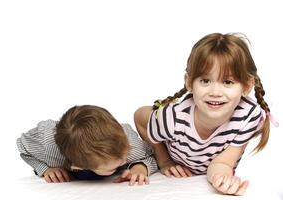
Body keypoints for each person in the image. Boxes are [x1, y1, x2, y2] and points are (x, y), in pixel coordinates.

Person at [134, 33, 276, 195]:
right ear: (189, 82)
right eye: (205, 81)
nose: (215, 92)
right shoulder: (173, 118)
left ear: (246, 86)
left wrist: (221, 180)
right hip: (175, 140)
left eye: (228, 82)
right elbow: (140, 117)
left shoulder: (248, 116)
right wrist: (165, 161)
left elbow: (223, 162)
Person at [17, 105, 158, 186]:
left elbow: (152, 155)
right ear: (78, 167)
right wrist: (45, 169)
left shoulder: (129, 145)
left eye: (125, 156)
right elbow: (23, 148)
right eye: (112, 167)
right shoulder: (48, 147)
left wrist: (139, 168)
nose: (124, 159)